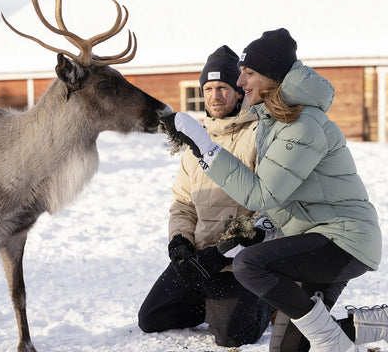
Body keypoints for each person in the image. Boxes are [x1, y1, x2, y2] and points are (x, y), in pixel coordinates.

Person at [161, 28, 383, 352]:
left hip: (343, 239)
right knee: (287, 349)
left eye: (249, 73)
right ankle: (367, 328)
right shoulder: (274, 124)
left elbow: (262, 194)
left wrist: (206, 149)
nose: (240, 82)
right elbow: (282, 197)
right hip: (313, 237)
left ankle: (329, 337)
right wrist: (261, 226)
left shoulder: (304, 126)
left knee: (250, 264)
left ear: (272, 77)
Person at [138, 45, 275, 347]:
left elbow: (271, 207)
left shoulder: (259, 136)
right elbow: (183, 203)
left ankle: (274, 301)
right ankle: (216, 305)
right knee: (152, 318)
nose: (214, 96)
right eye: (209, 88)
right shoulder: (195, 143)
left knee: (232, 336)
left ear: (239, 92)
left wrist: (231, 248)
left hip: (239, 260)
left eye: (223, 88)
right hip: (201, 257)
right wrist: (180, 242)